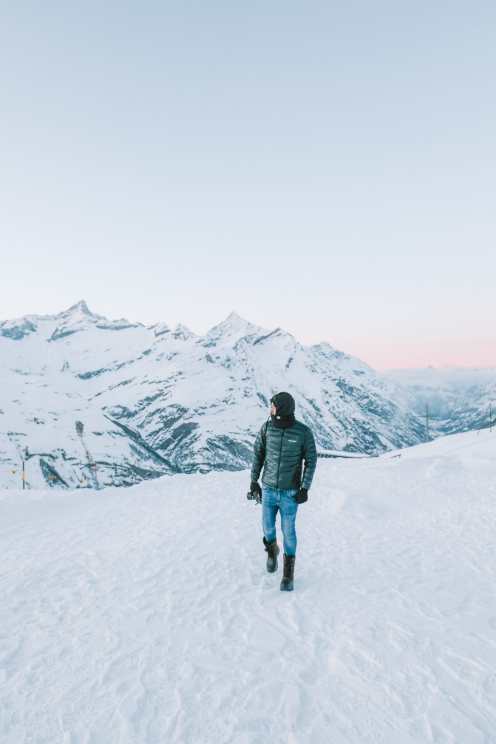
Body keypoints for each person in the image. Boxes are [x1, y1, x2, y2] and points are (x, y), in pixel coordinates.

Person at [249, 391, 317, 591]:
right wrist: (254, 481)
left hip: (290, 493)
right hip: (269, 489)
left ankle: (288, 573)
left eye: (273, 405)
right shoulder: (267, 428)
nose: (270, 409)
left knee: (288, 531)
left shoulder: (303, 432)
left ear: (282, 408)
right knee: (267, 528)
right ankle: (272, 551)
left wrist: (305, 488)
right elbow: (258, 455)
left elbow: (311, 461)